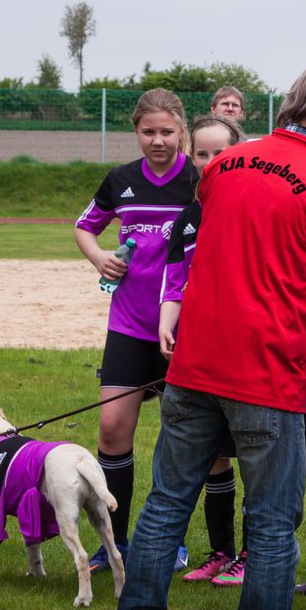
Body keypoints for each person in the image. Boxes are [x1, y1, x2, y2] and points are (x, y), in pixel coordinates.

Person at [109, 59, 306, 610]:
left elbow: (227, 247)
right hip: (266, 374)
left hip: (195, 364)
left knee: (163, 507)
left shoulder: (229, 165)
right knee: (270, 524)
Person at [74, 88, 197, 576]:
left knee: (182, 440)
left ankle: (176, 542)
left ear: (181, 130)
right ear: (136, 132)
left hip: (186, 329)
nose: (158, 140)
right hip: (127, 324)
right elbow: (85, 226)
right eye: (149, 132)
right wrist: (98, 256)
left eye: (167, 131)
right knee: (111, 430)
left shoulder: (199, 179)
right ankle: (115, 542)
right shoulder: (121, 180)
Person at [156, 114, 247, 583]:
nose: (211, 162)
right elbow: (175, 283)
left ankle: (251, 555)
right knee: (213, 455)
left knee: (253, 454)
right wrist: (167, 326)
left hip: (245, 354)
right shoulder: (187, 218)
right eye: (203, 153)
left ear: (239, 154)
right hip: (199, 354)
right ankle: (219, 552)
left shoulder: (250, 208)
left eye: (221, 153)